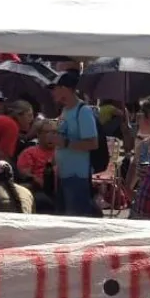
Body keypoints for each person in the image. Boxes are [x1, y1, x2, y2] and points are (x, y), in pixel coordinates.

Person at [50, 71, 100, 217]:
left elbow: (93, 143)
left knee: (76, 220)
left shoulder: (83, 111)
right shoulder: (65, 110)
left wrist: (64, 142)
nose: (52, 92)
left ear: (65, 88)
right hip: (63, 174)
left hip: (77, 176)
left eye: (55, 88)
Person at [17, 119, 58, 190]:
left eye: (54, 132)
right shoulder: (28, 153)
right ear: (38, 134)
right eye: (46, 132)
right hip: (40, 189)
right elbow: (25, 175)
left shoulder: (63, 152)